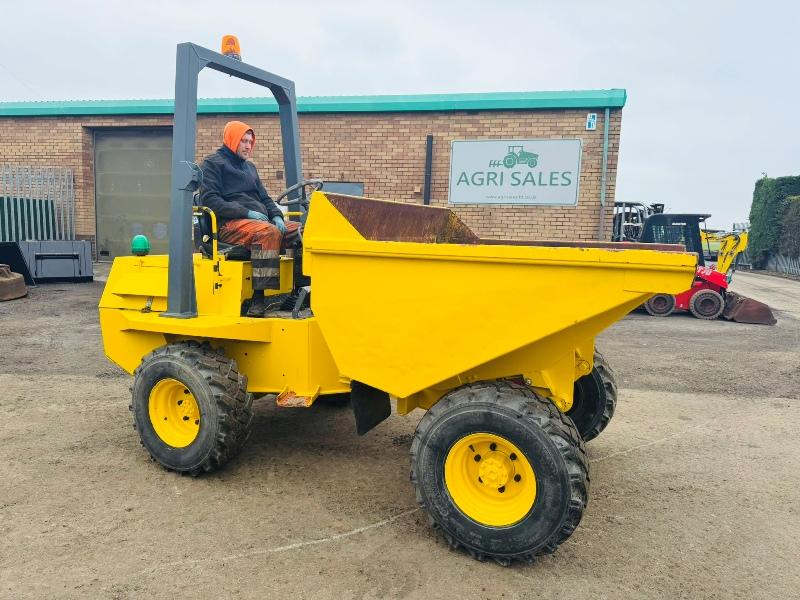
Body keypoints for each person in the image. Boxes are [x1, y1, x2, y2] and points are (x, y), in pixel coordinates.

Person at [199, 121, 302, 317]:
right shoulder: (213, 163)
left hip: (259, 222)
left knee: (303, 231)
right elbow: (210, 200)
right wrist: (246, 212)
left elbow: (265, 198)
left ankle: (300, 293)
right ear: (232, 140)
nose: (248, 146)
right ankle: (259, 298)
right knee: (267, 233)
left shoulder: (250, 168)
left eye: (250, 142)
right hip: (230, 224)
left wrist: (277, 216)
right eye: (243, 141)